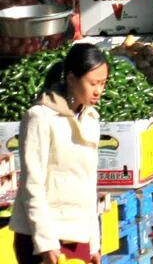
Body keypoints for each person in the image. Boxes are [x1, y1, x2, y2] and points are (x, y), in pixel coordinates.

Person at [11, 42, 106, 264]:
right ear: (71, 79)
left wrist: (94, 243)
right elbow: (32, 184)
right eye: (93, 83)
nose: (99, 91)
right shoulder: (40, 117)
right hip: (43, 239)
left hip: (78, 236)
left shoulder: (91, 118)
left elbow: (88, 183)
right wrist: (46, 242)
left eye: (103, 83)